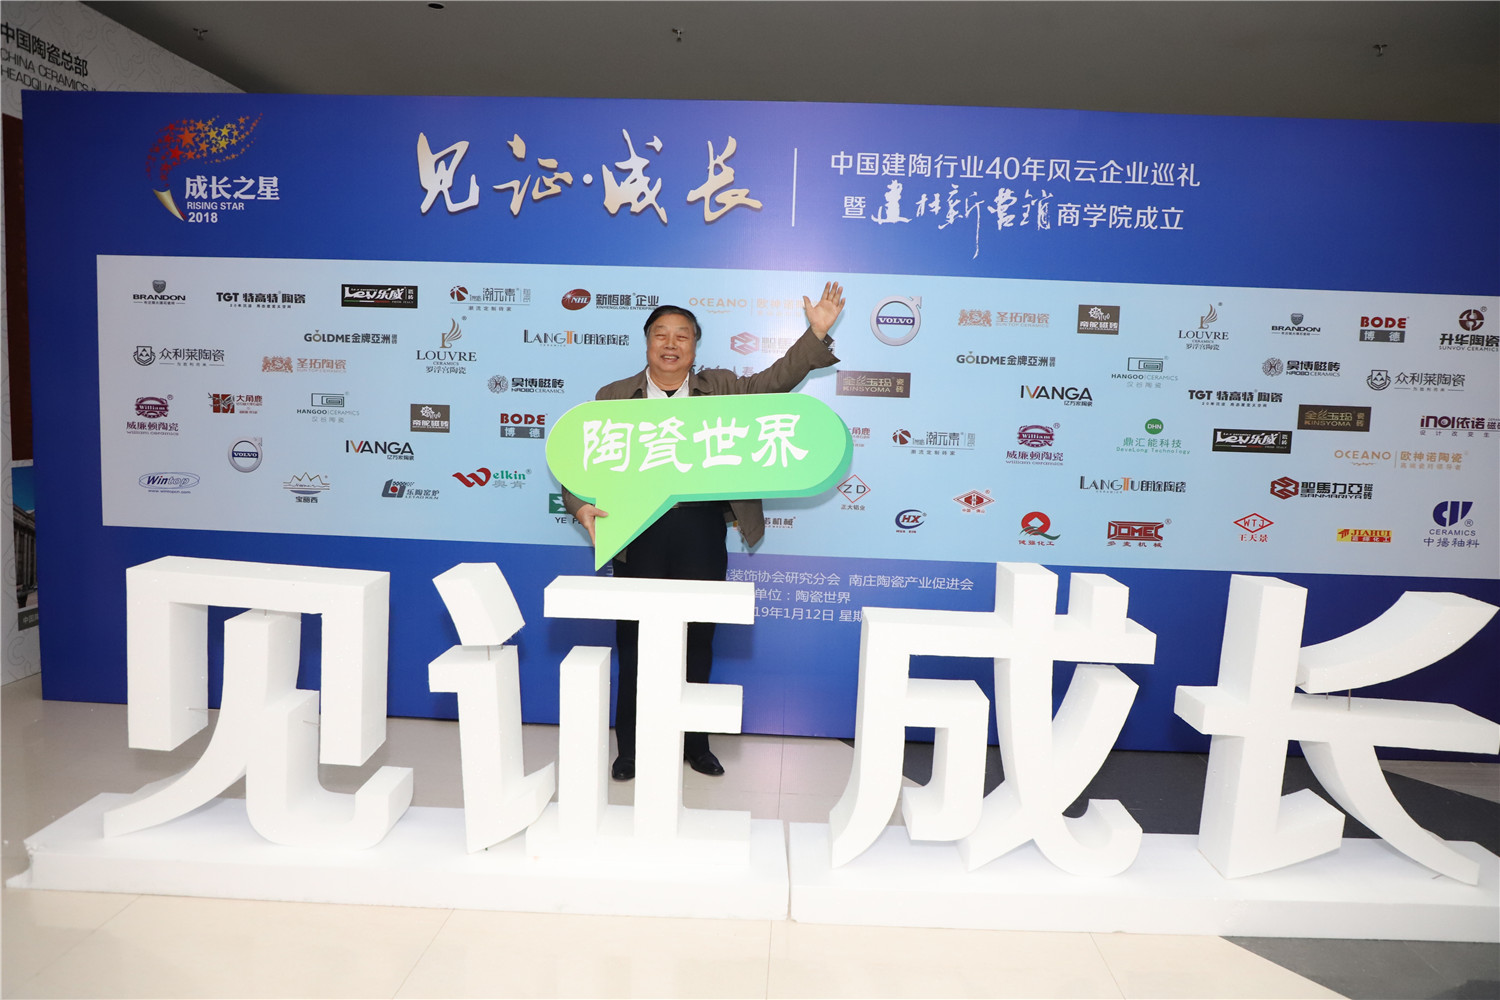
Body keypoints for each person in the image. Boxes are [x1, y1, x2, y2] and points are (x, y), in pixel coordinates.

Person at [563, 281, 846, 780]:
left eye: (683, 336)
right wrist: (580, 504)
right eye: (661, 335)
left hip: (701, 531)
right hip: (636, 536)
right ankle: (630, 749)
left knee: (697, 641)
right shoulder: (613, 396)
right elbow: (579, 462)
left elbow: (775, 382)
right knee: (634, 643)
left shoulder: (722, 388)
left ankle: (695, 743)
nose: (671, 344)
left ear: (695, 346)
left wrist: (816, 333)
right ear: (647, 342)